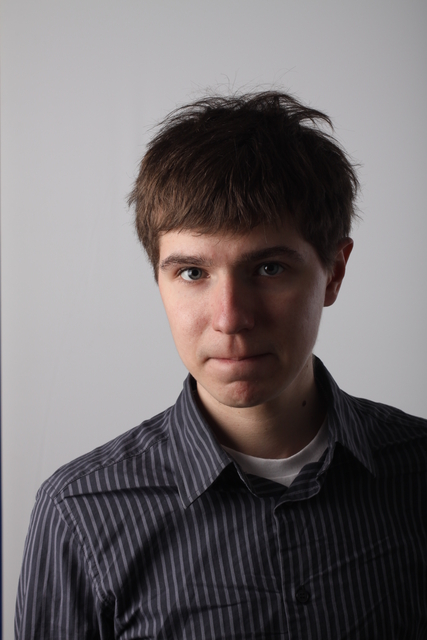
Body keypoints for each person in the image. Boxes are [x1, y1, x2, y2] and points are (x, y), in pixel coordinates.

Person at [15, 91, 427, 639]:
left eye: (269, 268)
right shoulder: (78, 513)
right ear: (159, 280)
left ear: (334, 271)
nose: (230, 318)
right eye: (192, 273)